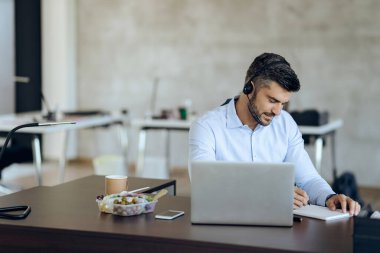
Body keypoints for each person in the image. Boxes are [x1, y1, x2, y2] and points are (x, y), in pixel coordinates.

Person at [189, 52, 361, 216]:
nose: (278, 111)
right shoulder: (206, 127)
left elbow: (308, 179)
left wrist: (329, 197)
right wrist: (270, 194)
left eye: (283, 103)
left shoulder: (285, 124)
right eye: (272, 101)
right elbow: (204, 187)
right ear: (249, 88)